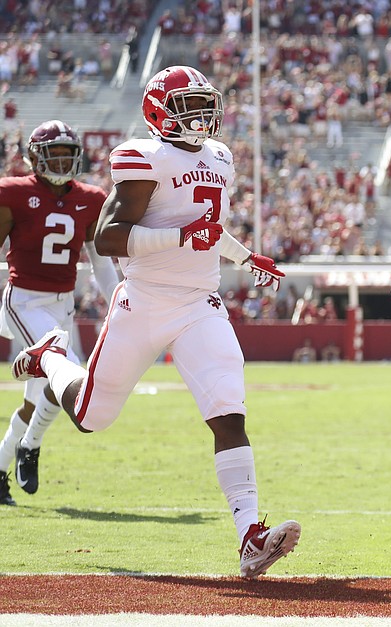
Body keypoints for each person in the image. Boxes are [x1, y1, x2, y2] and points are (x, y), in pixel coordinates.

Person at [9, 66, 300, 578]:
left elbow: (208, 229)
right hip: (143, 301)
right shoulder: (143, 156)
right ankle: (51, 357)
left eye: (204, 104)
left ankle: (250, 536)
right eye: (188, 105)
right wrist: (180, 238)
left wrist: (245, 257)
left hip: (199, 303)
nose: (202, 115)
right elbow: (110, 237)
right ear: (158, 110)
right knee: (92, 416)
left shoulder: (220, 157)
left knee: (228, 409)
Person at [0, 120, 119, 507]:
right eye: (56, 154)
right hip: (24, 301)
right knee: (69, 372)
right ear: (35, 157)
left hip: (62, 304)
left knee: (39, 396)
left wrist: (118, 302)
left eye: (69, 154)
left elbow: (99, 262)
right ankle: (31, 445)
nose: (64, 161)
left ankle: (4, 466)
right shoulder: (14, 193)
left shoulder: (90, 198)